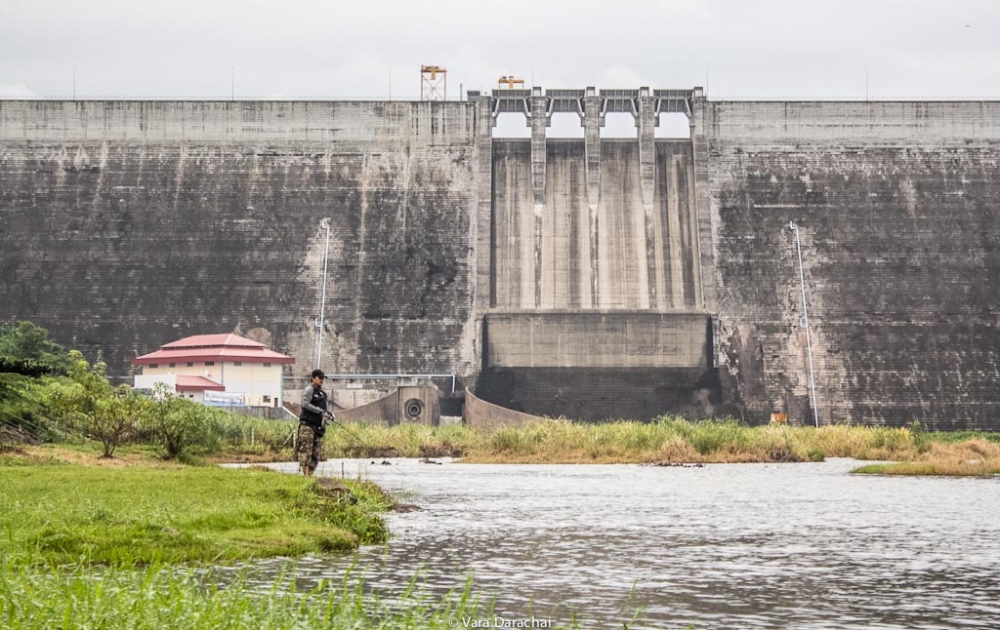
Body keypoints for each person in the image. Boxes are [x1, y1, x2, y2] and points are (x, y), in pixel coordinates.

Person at [298, 368, 335, 477]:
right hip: (307, 426)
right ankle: (305, 476)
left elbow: (325, 410)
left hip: (318, 428)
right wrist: (319, 411)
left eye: (323, 378)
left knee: (316, 454)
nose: (321, 380)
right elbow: (305, 404)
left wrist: (329, 415)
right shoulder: (309, 390)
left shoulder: (323, 394)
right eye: (319, 378)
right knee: (306, 451)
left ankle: (310, 474)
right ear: (313, 378)